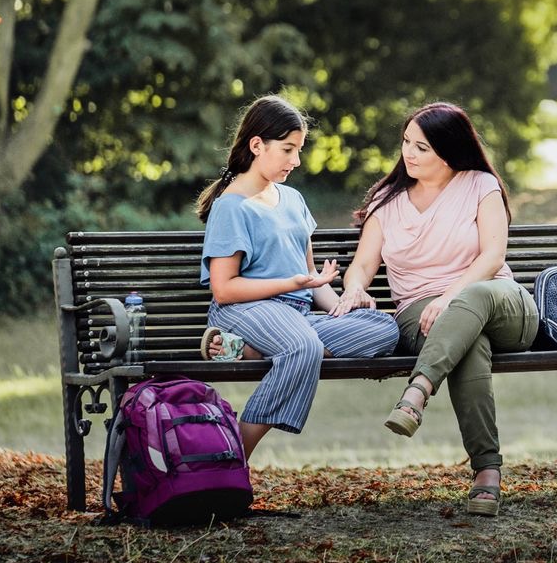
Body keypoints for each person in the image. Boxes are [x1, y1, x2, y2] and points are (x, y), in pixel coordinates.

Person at [332, 101, 538, 517]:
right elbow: (363, 265)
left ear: (448, 149)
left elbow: (492, 257)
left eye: (421, 147)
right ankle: (487, 472)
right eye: (407, 142)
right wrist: (354, 289)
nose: (409, 153)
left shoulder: (480, 185)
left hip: (499, 302)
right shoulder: (386, 201)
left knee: (470, 302)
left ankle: (417, 391)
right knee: (468, 343)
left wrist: (450, 296)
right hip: (422, 314)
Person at [196, 95, 403, 461]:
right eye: (288, 149)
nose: (296, 160)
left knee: (384, 328)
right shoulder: (231, 207)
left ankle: (255, 348)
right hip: (246, 308)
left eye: (299, 150)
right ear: (257, 145)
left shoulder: (292, 199)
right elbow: (224, 289)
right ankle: (232, 456)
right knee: (303, 347)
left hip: (297, 315)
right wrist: (290, 285)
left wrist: (340, 303)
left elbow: (308, 276)